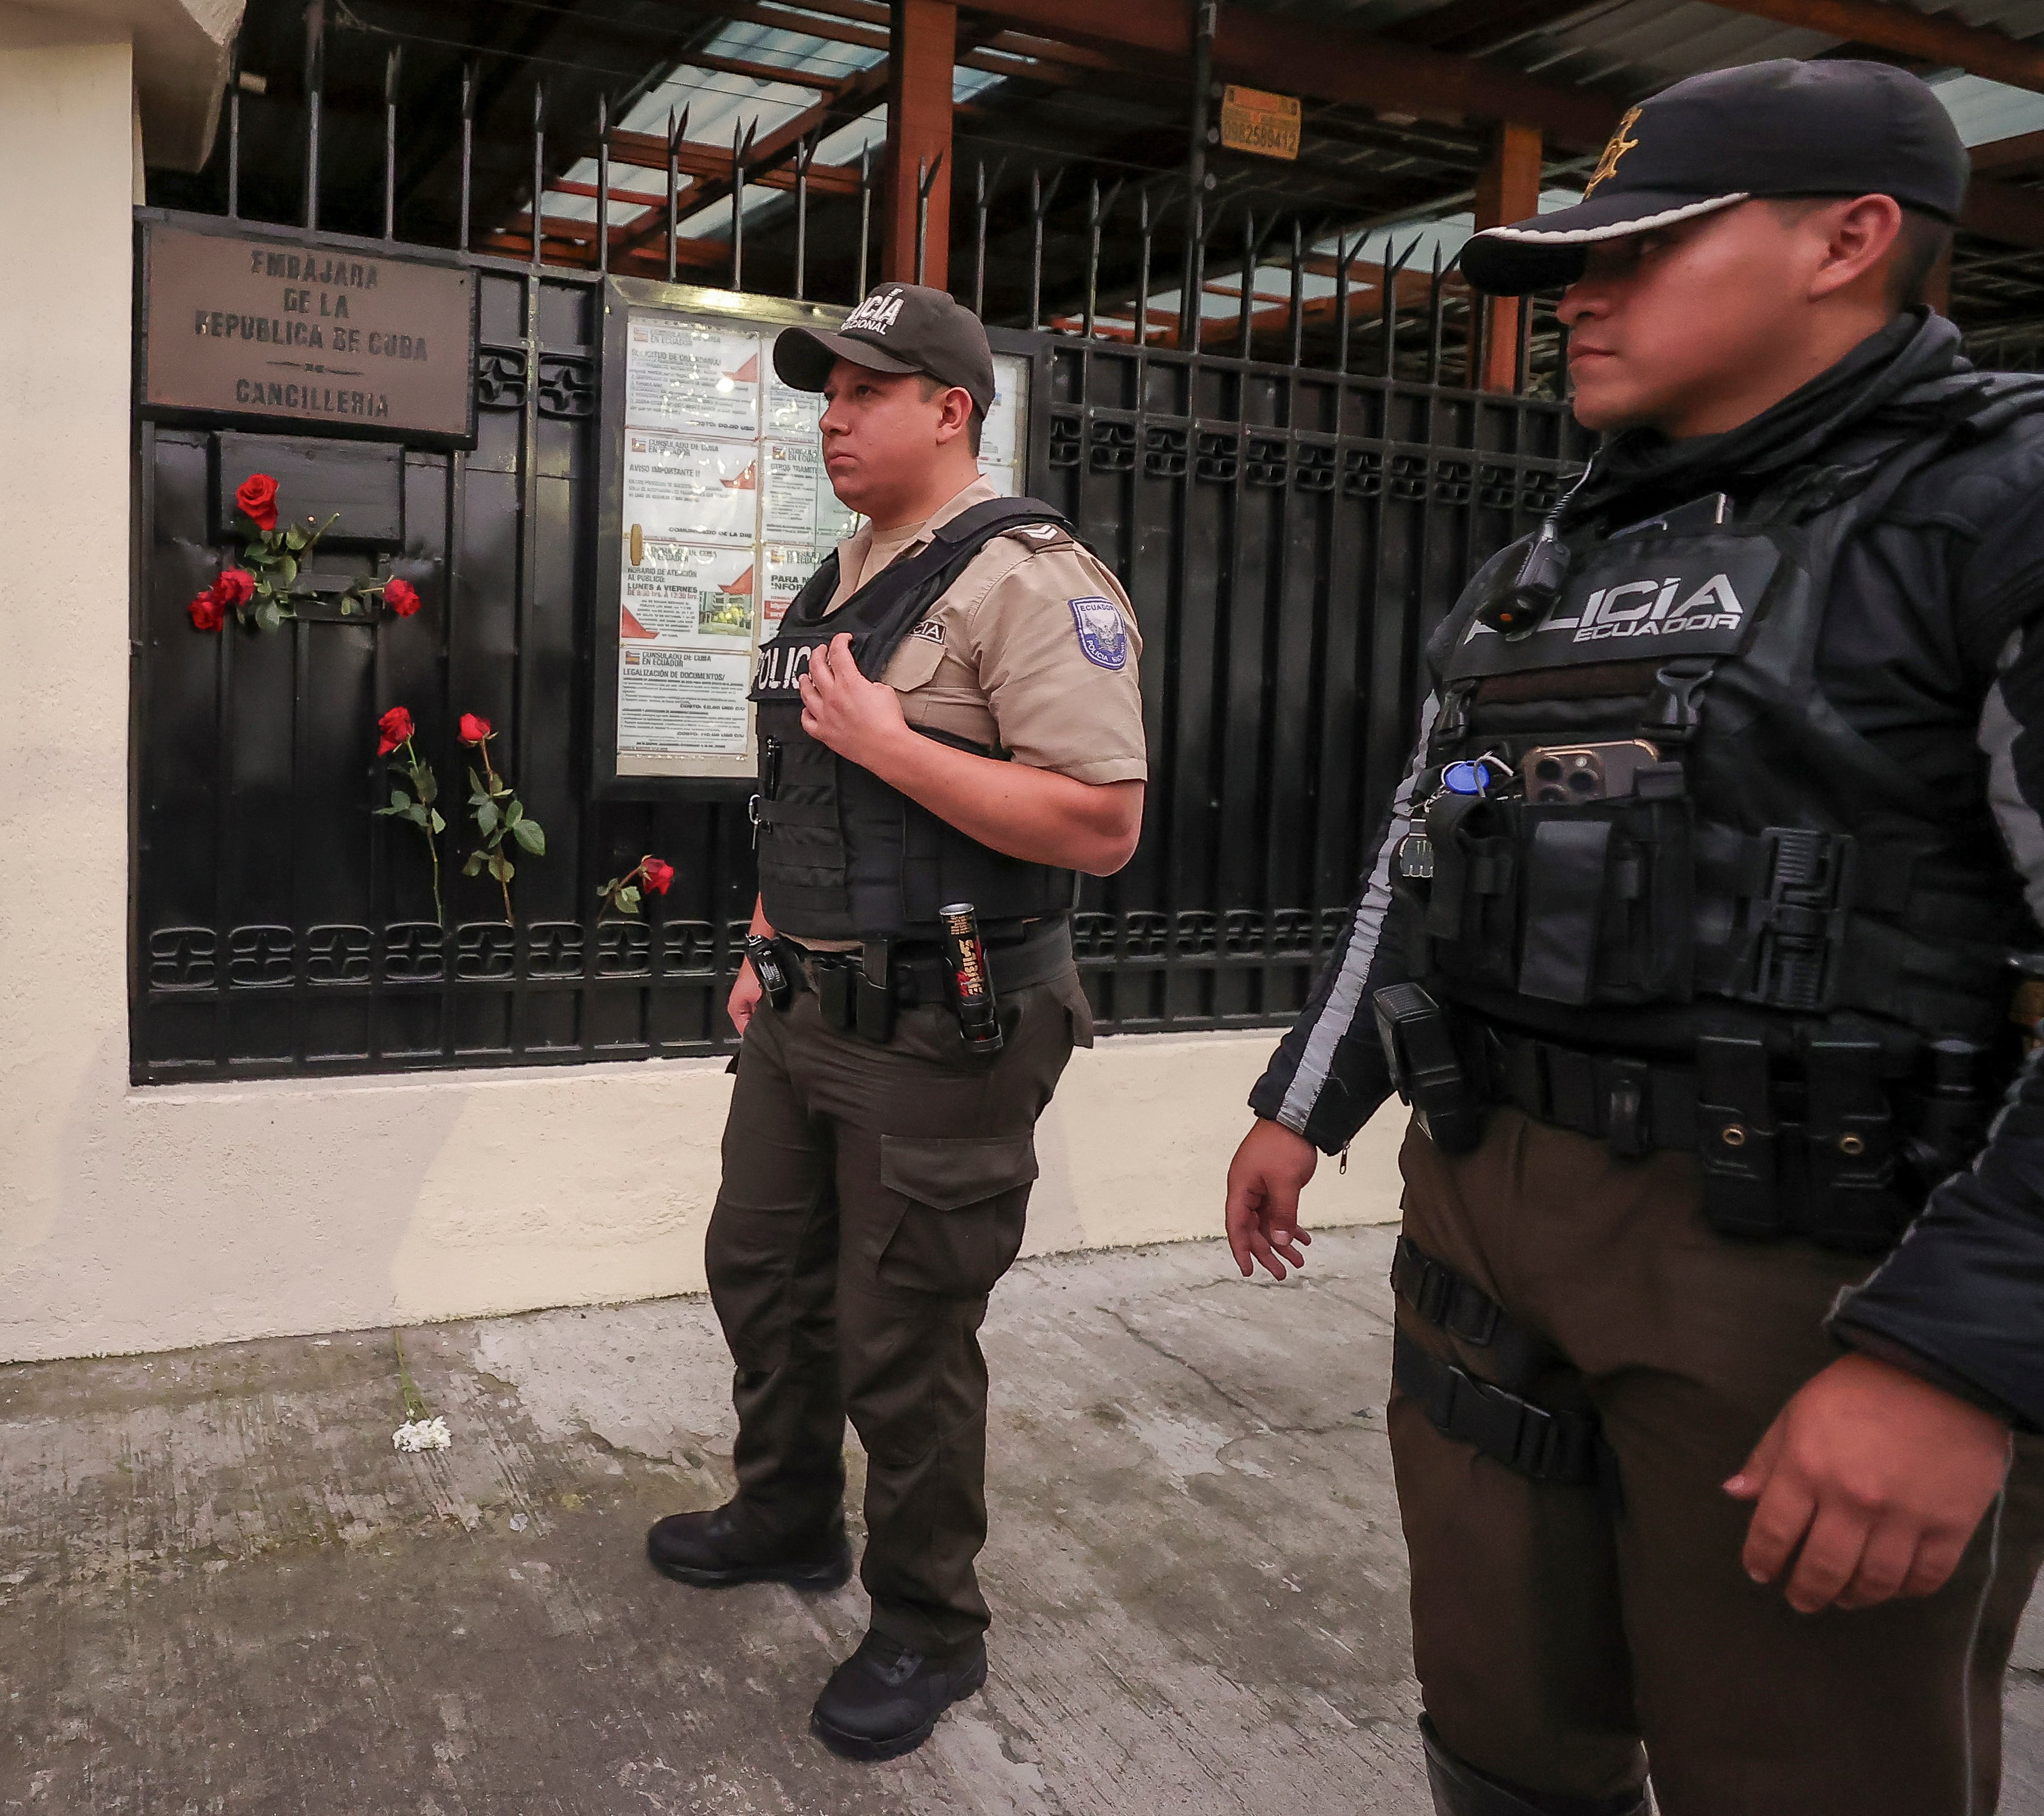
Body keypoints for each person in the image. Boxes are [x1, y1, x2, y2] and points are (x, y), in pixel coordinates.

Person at [1223, 58, 2044, 1815]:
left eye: (1643, 248)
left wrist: (1959, 1353)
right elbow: (1414, 849)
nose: (1580, 295)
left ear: (1854, 238)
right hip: (1483, 1217)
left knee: (1804, 1763)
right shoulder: (1556, 550)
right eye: (1570, 259)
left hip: (1812, 1262)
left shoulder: (1998, 503)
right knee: (1502, 1725)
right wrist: (1311, 1094)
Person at [645, 281, 1148, 1761]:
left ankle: (933, 1627)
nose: (833, 417)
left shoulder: (1031, 580)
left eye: (865, 391)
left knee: (903, 1331)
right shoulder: (843, 576)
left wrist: (896, 743)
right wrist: (760, 942)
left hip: (949, 1023)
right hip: (806, 1005)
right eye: (826, 391)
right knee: (766, 1274)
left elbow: (1102, 822)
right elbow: (806, 798)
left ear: (951, 408)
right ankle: (790, 1515)